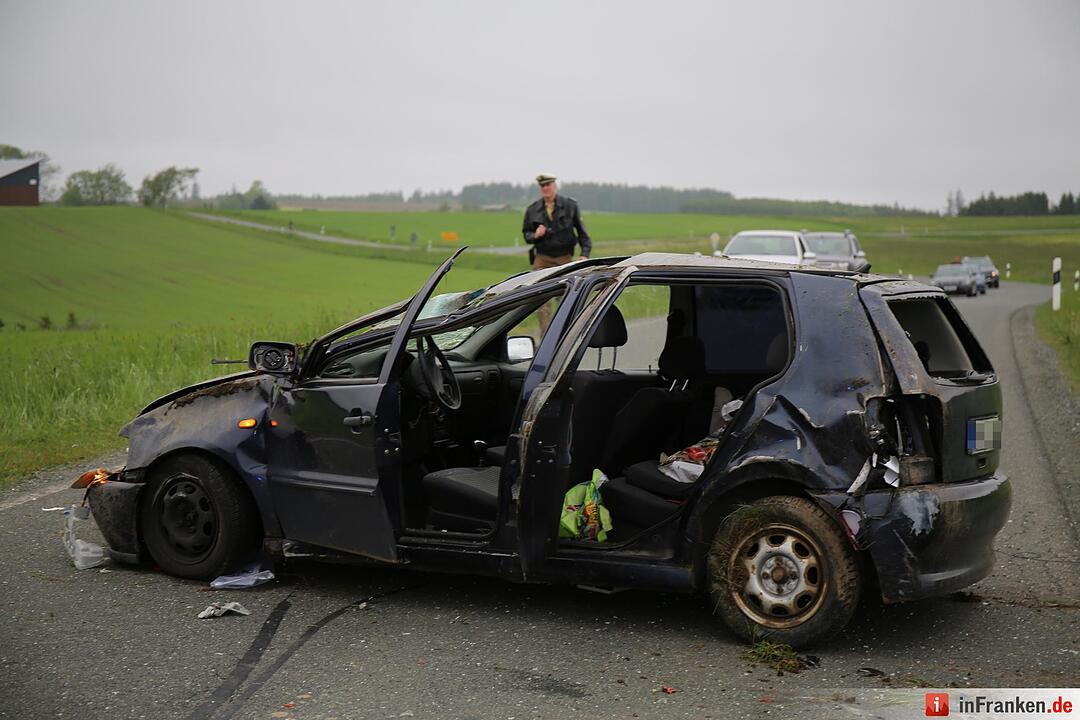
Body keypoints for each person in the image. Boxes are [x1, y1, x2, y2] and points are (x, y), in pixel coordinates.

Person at [522, 173, 591, 269]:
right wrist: (535, 235)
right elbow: (526, 234)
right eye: (542, 186)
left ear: (555, 186)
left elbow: (582, 233)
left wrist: (584, 254)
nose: (545, 188)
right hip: (542, 258)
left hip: (564, 258)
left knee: (568, 283)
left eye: (548, 185)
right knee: (537, 283)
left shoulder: (570, 206)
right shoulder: (532, 210)